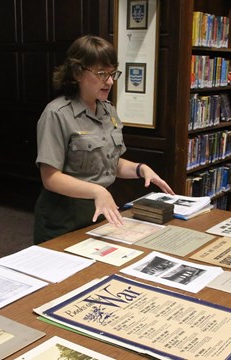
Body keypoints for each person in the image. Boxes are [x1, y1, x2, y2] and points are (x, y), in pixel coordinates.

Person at [34, 35, 174, 244]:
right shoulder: (57, 114)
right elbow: (50, 178)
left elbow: (110, 163)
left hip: (100, 213)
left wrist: (140, 169)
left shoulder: (108, 110)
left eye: (112, 73)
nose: (109, 81)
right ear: (77, 72)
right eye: (101, 73)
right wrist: (97, 190)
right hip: (63, 218)